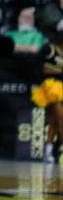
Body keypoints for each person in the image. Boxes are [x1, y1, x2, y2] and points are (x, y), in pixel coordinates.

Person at [42, 31, 63, 162]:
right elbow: (38, 65)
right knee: (61, 116)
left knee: (54, 121)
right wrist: (56, 70)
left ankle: (48, 151)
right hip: (48, 85)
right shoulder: (49, 48)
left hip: (61, 86)